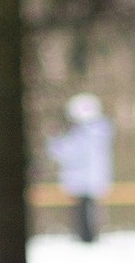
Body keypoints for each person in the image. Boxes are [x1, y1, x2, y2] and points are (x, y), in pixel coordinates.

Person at [47, 92, 113, 243]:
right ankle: (88, 238)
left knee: (84, 213)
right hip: (92, 179)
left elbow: (65, 152)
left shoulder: (83, 134)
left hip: (82, 180)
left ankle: (86, 239)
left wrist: (54, 140)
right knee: (89, 210)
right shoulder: (100, 131)